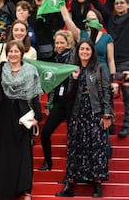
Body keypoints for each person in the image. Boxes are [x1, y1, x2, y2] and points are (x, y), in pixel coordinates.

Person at [0, 40, 43, 200]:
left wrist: (37, 115)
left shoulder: (30, 70)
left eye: (16, 51)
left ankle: (24, 190)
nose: (13, 54)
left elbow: (35, 95)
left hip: (23, 115)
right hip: (4, 115)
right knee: (2, 152)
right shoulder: (2, 68)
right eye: (10, 51)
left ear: (22, 53)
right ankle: (3, 189)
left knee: (23, 153)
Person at [55, 39, 113, 198]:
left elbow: (107, 91)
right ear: (77, 51)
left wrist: (107, 114)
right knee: (74, 148)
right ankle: (69, 185)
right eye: (82, 49)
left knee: (96, 148)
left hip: (95, 112)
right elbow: (68, 96)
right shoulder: (73, 69)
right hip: (77, 113)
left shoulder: (100, 68)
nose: (85, 52)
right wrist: (73, 79)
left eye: (88, 49)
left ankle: (97, 185)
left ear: (92, 51)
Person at [39, 30, 75, 171]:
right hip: (59, 103)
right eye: (57, 43)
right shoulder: (56, 59)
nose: (59, 45)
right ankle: (48, 162)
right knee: (45, 132)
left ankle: (72, 168)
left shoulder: (73, 56)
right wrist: (49, 102)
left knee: (73, 137)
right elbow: (53, 83)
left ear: (68, 43)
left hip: (72, 102)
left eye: (62, 42)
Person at [105, 0, 129, 138]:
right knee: (109, 94)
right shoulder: (111, 19)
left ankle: (127, 125)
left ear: (128, 5)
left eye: (122, 3)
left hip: (127, 62)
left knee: (127, 96)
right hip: (111, 63)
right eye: (117, 3)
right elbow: (100, 6)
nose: (119, 5)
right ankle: (111, 124)